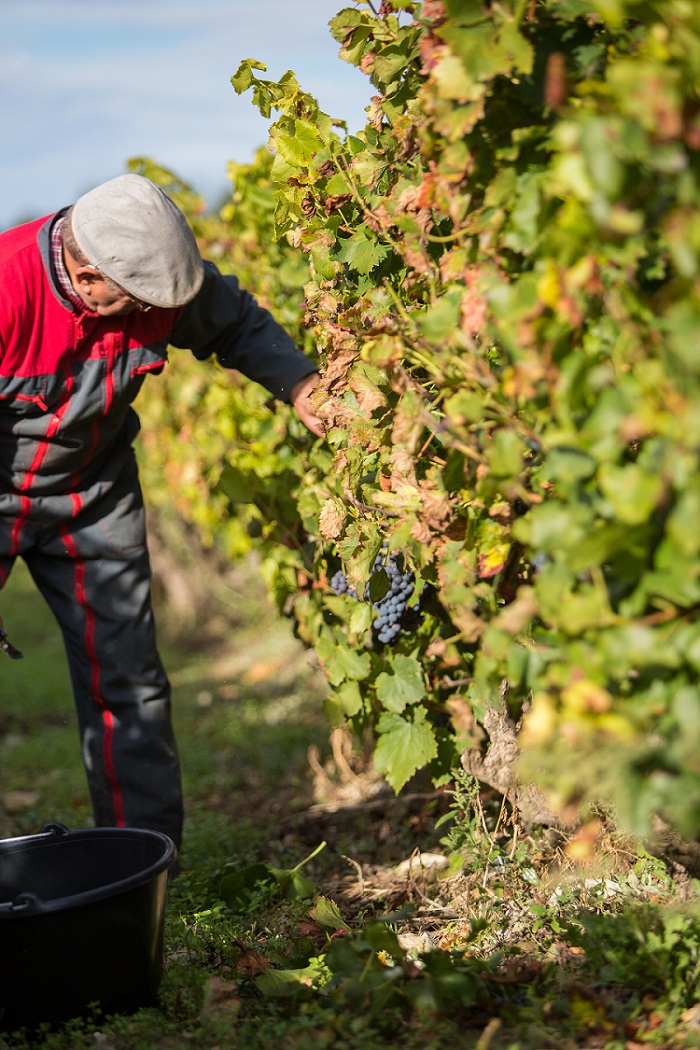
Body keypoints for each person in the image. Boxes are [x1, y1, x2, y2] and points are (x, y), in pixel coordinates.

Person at [0, 173, 322, 852]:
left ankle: (140, 860)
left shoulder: (154, 275)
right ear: (86, 275)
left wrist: (301, 384)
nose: (149, 314)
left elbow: (235, 321)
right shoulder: (6, 290)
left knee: (129, 677)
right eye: (132, 303)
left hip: (94, 492)